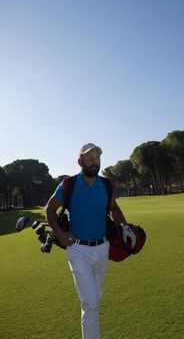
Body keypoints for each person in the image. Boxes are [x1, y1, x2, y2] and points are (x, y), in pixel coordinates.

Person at [45, 143, 136, 339]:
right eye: (89, 157)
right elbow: (49, 209)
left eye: (97, 157)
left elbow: (114, 208)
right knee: (91, 302)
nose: (94, 161)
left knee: (97, 297)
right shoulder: (68, 185)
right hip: (78, 250)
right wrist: (60, 234)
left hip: (103, 248)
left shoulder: (107, 184)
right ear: (80, 162)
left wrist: (125, 227)